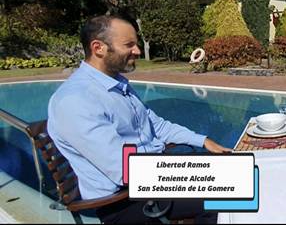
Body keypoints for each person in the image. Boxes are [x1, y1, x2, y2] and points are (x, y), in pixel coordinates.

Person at [48, 15, 231, 223]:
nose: (137, 51)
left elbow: (156, 125)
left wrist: (203, 141)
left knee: (238, 173)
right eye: (129, 45)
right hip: (122, 200)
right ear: (98, 48)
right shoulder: (75, 100)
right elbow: (125, 171)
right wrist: (197, 175)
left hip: (151, 177)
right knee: (227, 196)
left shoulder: (117, 84)